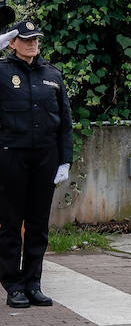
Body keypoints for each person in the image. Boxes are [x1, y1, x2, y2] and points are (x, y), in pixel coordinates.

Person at [0, 20, 73, 310]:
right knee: (9, 225)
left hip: (45, 160)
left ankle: (33, 283)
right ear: (13, 43)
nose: (32, 44)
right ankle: (13, 284)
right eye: (25, 40)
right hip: (11, 159)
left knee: (38, 225)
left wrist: (64, 160)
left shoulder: (52, 75)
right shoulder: (2, 73)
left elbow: (65, 123)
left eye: (35, 40)